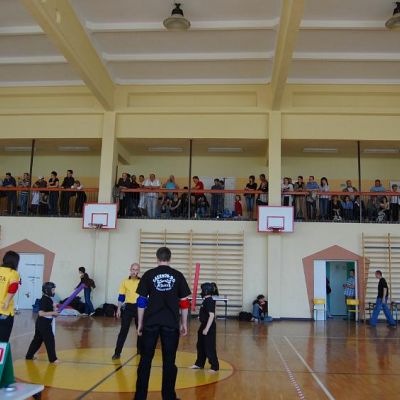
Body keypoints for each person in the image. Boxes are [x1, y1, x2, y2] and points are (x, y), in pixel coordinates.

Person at [134, 247, 191, 400]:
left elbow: (141, 302)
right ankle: (168, 397)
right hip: (171, 323)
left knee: (145, 360)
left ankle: (140, 397)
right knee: (169, 362)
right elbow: (184, 303)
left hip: (150, 322)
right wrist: (184, 323)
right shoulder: (178, 275)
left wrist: (140, 323)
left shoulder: (149, 275)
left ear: (157, 258)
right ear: (170, 258)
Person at [113, 263, 142, 360]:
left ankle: (140, 350)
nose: (134, 271)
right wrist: (118, 309)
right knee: (123, 331)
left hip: (139, 308)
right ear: (130, 269)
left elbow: (146, 296)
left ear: (139, 271)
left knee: (140, 330)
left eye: (136, 269)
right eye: (133, 269)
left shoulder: (142, 282)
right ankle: (117, 353)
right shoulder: (125, 281)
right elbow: (121, 296)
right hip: (128, 308)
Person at [26, 282, 59, 363]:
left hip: (42, 323)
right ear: (47, 290)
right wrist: (53, 312)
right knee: (50, 340)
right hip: (44, 324)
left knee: (37, 341)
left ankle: (29, 356)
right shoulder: (44, 300)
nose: (54, 291)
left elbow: (52, 312)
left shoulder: (49, 299)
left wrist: (54, 307)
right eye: (53, 290)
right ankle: (53, 359)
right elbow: (41, 313)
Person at [190, 282, 219, 372]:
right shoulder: (206, 300)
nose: (201, 291)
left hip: (208, 326)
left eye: (202, 290)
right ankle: (199, 364)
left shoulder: (209, 300)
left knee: (209, 346)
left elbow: (211, 315)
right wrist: (201, 317)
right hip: (203, 325)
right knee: (200, 345)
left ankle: (214, 366)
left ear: (206, 291)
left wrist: (206, 328)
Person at [0, 251, 20, 342]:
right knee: (3, 340)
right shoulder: (13, 273)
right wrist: (7, 301)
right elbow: (13, 286)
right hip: (5, 311)